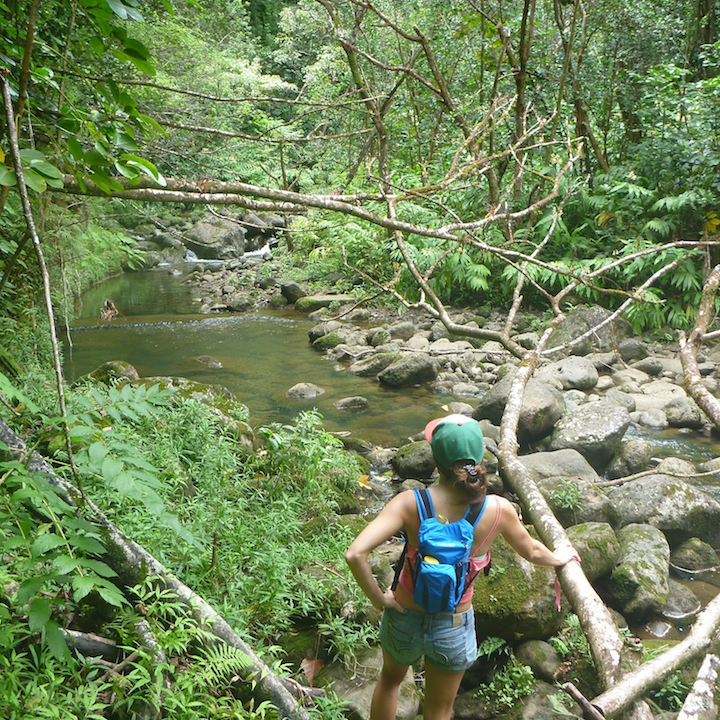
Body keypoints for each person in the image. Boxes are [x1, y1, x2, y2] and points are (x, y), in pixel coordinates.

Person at [345, 414, 580, 720]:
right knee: (440, 708)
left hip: (404, 615)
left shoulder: (409, 502)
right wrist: (559, 556)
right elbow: (532, 551)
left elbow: (355, 554)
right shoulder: (497, 509)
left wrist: (379, 598)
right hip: (453, 625)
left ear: (436, 460)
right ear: (478, 458)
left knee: (389, 683)